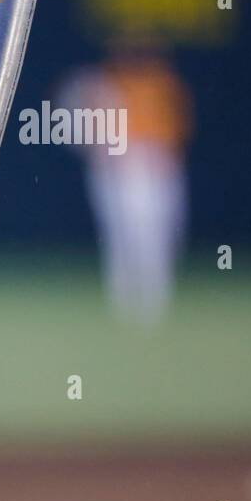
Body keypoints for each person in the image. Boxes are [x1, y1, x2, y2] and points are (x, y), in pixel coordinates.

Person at [55, 35, 193, 326]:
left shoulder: (161, 84)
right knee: (122, 235)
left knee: (157, 235)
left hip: (155, 163)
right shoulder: (104, 87)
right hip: (122, 168)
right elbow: (82, 130)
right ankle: (126, 301)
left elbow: (176, 130)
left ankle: (154, 300)